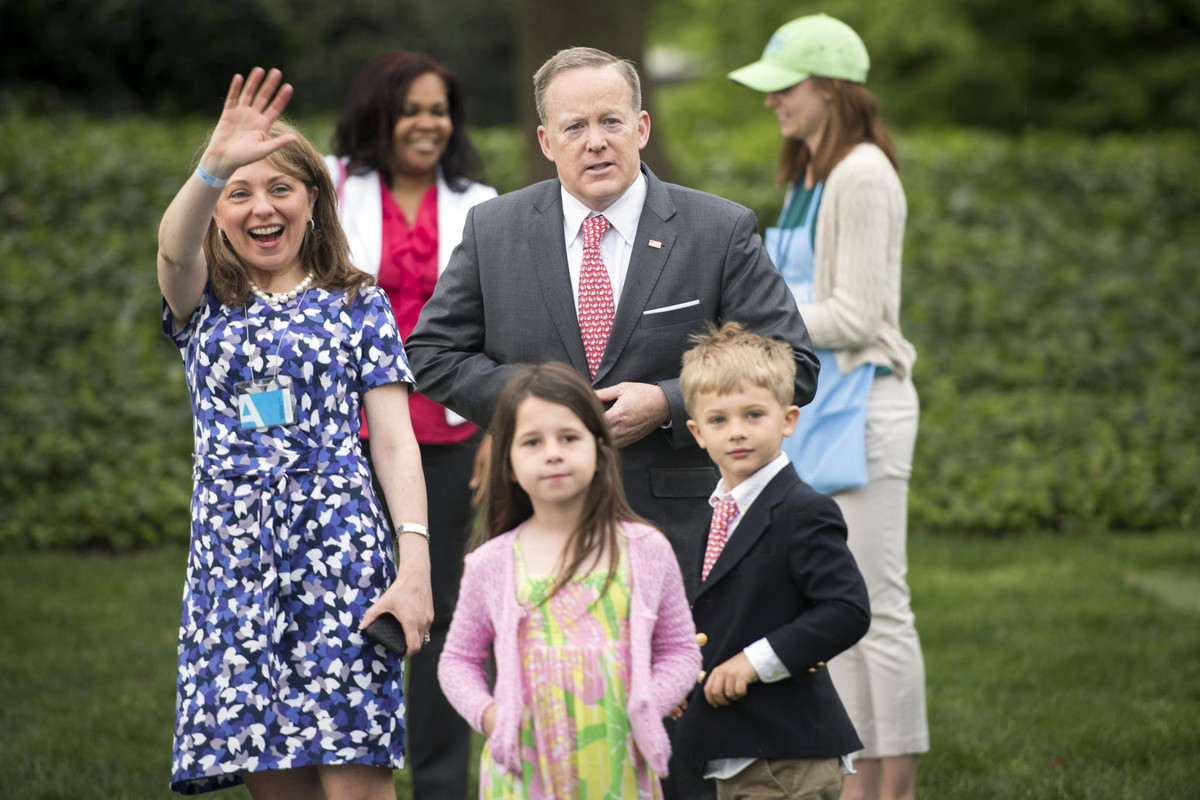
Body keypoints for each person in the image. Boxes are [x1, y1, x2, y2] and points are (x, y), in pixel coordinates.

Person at [406, 46, 819, 598]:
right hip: (537, 519)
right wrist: (539, 403)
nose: (595, 141)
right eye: (574, 126)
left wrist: (669, 402)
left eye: (610, 121)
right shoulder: (493, 229)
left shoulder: (717, 230)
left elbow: (792, 362)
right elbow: (431, 353)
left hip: (680, 527)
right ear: (546, 141)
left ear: (641, 127)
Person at [157, 67, 432, 798]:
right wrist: (212, 165)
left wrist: (415, 564)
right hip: (236, 571)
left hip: (340, 564)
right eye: (238, 194)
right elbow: (172, 252)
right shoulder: (204, 305)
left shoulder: (357, 303)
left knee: (356, 781)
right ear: (217, 211)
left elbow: (396, 441)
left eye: (280, 188)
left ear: (312, 200)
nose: (260, 208)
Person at [729, 15, 928, 800]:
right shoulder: (810, 175)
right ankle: (856, 775)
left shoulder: (863, 173)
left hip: (867, 412)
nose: (773, 100)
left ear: (832, 87)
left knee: (880, 607)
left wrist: (744, 316)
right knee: (834, 605)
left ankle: (895, 781)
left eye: (787, 86)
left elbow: (855, 314)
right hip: (822, 412)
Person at [325, 51, 497, 800]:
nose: (429, 123)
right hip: (347, 435)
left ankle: (438, 783)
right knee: (350, 605)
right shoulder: (329, 188)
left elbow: (500, 325)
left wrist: (497, 427)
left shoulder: (483, 202)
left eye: (440, 109)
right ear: (380, 114)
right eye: (413, 109)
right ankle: (353, 770)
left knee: (439, 606)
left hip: (451, 435)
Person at [438, 362, 702, 798]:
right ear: (507, 463)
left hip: (618, 768)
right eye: (532, 442)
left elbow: (680, 652)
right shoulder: (491, 563)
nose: (553, 453)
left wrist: (644, 707)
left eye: (569, 437)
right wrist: (491, 716)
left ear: (600, 450)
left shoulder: (645, 549)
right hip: (524, 775)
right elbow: (457, 661)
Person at [671, 322, 870, 800]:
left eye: (754, 414)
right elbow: (717, 617)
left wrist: (752, 663)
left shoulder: (804, 510)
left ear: (788, 419)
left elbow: (845, 611)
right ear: (697, 433)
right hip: (734, 749)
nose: (736, 432)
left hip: (788, 753)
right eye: (718, 420)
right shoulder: (715, 511)